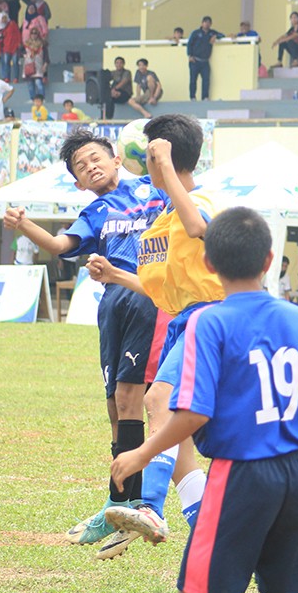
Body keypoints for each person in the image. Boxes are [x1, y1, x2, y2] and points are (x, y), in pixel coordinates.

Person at [110, 206, 298, 593]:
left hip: (240, 475)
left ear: (209, 263)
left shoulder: (209, 322)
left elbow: (194, 413)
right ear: (269, 260)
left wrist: (141, 453)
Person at [2, 129, 167, 550]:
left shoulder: (152, 189)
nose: (91, 166)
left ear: (115, 158)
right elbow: (61, 245)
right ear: (78, 182)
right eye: (81, 165)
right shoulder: (95, 212)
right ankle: (120, 506)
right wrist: (25, 226)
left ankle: (132, 506)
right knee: (115, 407)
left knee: (134, 400)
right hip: (112, 304)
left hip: (146, 298)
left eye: (96, 157)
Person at [86, 115, 220, 559]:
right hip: (183, 319)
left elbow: (202, 227)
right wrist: (116, 276)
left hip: (214, 319)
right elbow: (164, 289)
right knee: (178, 441)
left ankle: (149, 506)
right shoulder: (164, 217)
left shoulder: (197, 201)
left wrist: (166, 168)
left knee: (157, 401)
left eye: (149, 155)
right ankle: (211, 542)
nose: (143, 165)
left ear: (164, 156)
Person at [186, 16, 223, 101]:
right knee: (193, 80)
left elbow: (222, 35)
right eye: (205, 22)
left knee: (206, 80)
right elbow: (189, 44)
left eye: (208, 22)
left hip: (205, 61)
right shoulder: (196, 33)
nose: (207, 24)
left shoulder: (212, 33)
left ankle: (205, 97)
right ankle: (192, 97)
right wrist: (190, 55)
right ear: (202, 23)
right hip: (195, 60)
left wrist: (216, 36)